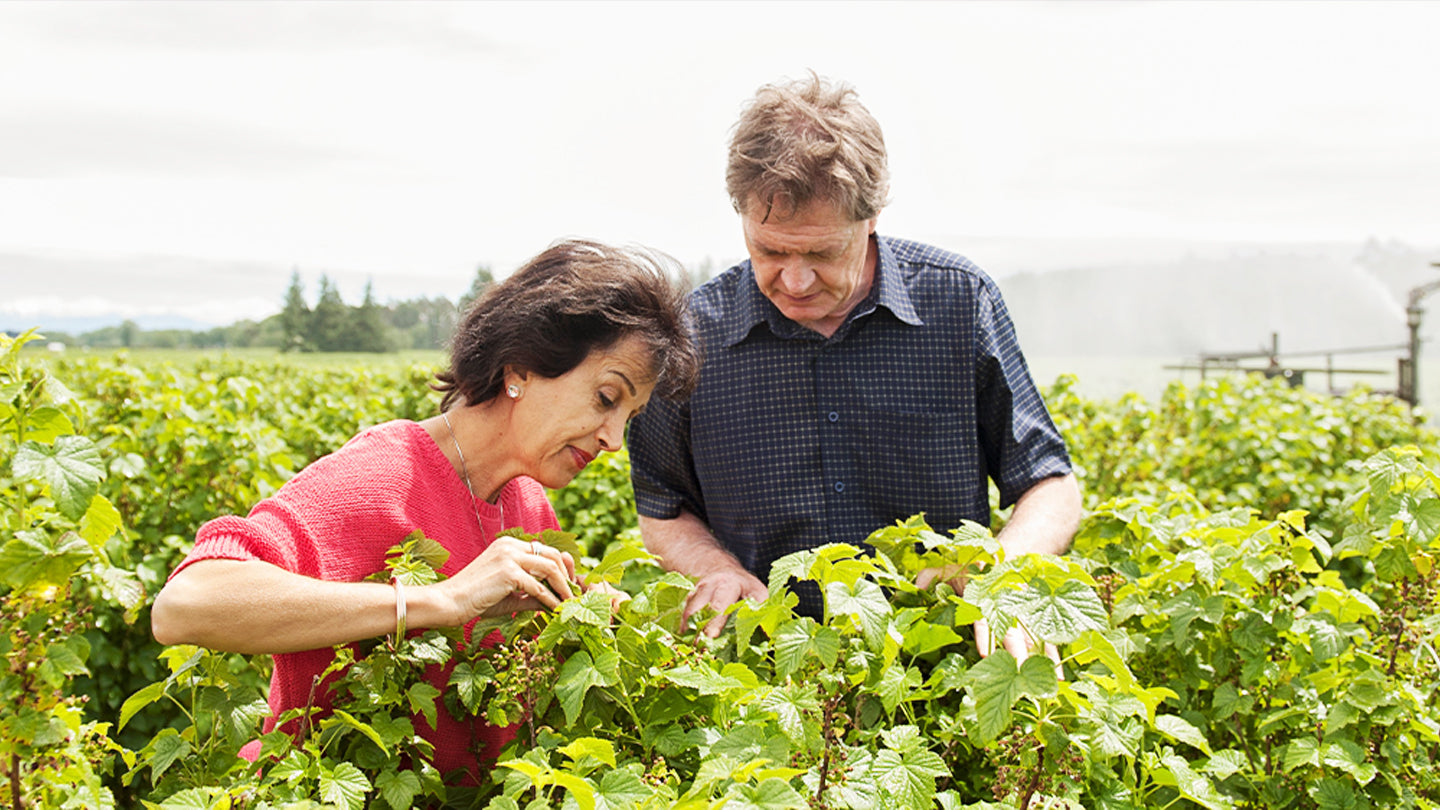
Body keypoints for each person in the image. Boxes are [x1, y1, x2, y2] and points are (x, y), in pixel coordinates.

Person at [151, 239, 699, 784]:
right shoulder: (385, 475)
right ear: (523, 366)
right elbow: (187, 604)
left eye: (629, 417)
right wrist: (439, 600)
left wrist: (593, 627)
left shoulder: (527, 502)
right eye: (607, 398)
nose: (612, 440)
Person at [626, 73, 1081, 662]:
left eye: (820, 252)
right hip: (768, 672)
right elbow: (664, 508)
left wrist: (1000, 572)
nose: (793, 279)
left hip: (937, 664)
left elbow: (1050, 483)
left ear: (872, 218)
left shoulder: (958, 302)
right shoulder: (693, 337)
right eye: (769, 250)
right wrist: (714, 568)